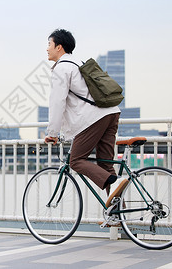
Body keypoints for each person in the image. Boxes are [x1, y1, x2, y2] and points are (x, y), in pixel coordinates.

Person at [44, 28, 123, 198]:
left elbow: (57, 102)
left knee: (76, 161)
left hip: (94, 118)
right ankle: (118, 216)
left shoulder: (62, 68)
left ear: (59, 47)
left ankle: (113, 181)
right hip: (111, 113)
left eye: (49, 44)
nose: (47, 48)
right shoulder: (79, 63)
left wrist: (52, 133)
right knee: (106, 164)